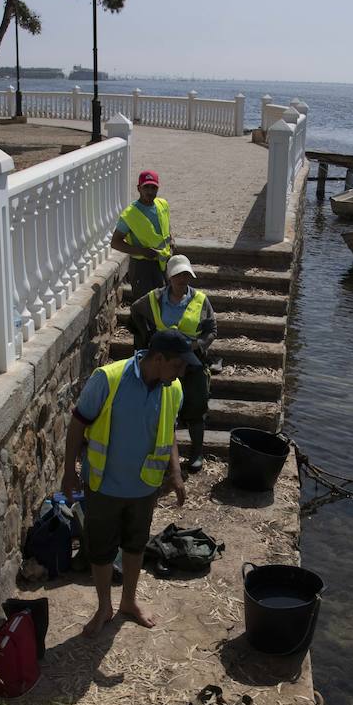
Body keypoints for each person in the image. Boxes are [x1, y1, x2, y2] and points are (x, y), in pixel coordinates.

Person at [61, 330, 194, 637]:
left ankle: (129, 603)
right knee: (102, 550)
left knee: (135, 546)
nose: (181, 373)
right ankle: (104, 606)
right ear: (158, 359)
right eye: (178, 365)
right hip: (103, 486)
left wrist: (175, 473)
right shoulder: (107, 379)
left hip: (144, 488)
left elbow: (169, 431)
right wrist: (69, 471)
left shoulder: (172, 388)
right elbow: (77, 423)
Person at [129, 254, 216, 473]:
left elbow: (212, 329)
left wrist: (198, 346)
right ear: (169, 277)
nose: (183, 280)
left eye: (186, 275)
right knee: (163, 408)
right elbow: (135, 313)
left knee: (196, 405)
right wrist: (147, 339)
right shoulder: (154, 299)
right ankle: (164, 455)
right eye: (178, 276)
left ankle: (196, 453)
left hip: (191, 362)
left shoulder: (200, 300)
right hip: (164, 363)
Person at [110, 169, 172, 290]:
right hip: (141, 267)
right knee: (145, 305)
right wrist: (142, 251)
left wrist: (171, 239)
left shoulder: (163, 204)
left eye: (153, 187)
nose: (150, 191)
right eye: (146, 187)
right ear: (139, 188)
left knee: (162, 303)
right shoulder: (129, 214)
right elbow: (115, 243)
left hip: (162, 263)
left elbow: (166, 224)